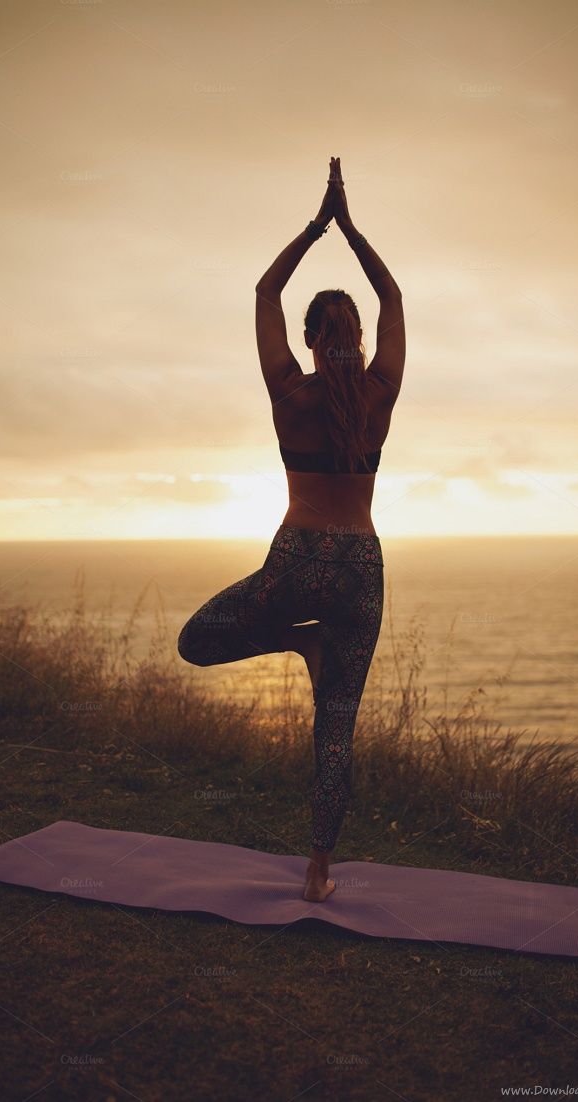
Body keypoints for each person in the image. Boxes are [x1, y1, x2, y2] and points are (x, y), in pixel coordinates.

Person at [177, 156, 405, 902]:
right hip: (360, 570)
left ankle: (296, 638)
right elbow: (394, 293)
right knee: (334, 727)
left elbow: (265, 289)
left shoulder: (287, 391)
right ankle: (317, 871)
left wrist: (317, 226)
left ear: (310, 339)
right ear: (360, 339)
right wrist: (354, 230)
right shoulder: (379, 393)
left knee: (197, 640)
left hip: (297, 560)